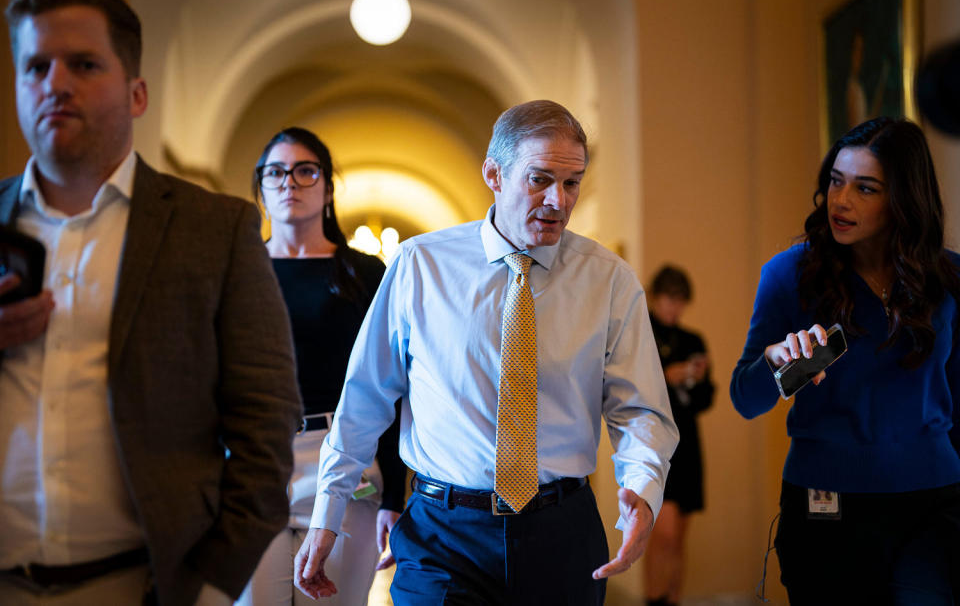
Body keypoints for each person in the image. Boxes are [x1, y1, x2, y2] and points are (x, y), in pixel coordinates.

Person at [293, 99, 678, 605]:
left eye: (572, 183)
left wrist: (644, 491)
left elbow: (641, 410)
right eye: (539, 179)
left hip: (561, 531)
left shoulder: (609, 281)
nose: (558, 201)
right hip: (442, 535)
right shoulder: (419, 266)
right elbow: (364, 399)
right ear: (493, 174)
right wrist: (329, 511)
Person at [0, 0, 301, 606]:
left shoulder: (213, 230)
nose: (54, 83)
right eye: (35, 67)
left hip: (143, 583)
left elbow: (266, 425)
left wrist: (213, 587)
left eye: (83, 64)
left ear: (136, 93)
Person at [731, 117, 960, 604]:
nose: (841, 200)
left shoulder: (949, 279)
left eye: (865, 187)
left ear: (904, 198)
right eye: (836, 181)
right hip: (825, 508)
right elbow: (744, 400)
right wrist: (775, 363)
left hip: (933, 506)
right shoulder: (790, 275)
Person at [237, 127, 405, 606]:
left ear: (328, 188)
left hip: (344, 457)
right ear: (262, 187)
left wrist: (395, 489)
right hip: (256, 460)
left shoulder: (366, 272)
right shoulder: (238, 269)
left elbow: (390, 384)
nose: (289, 181)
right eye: (276, 172)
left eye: (305, 171)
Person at [643, 265, 714, 606]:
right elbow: (634, 392)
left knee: (680, 536)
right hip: (657, 446)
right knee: (663, 535)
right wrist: (665, 378)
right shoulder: (642, 335)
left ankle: (673, 599)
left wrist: (696, 380)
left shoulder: (693, 341)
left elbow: (705, 400)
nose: (674, 308)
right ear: (655, 297)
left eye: (680, 301)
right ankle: (654, 599)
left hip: (688, 445)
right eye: (669, 299)